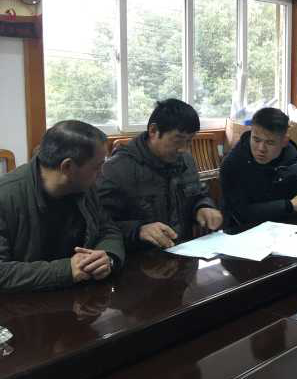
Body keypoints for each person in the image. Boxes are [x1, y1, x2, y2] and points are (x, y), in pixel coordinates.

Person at [0, 121, 124, 292]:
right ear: (67, 167)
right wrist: (67, 270)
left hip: (82, 295)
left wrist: (108, 257)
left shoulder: (83, 186)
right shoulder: (6, 197)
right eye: (97, 167)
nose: (101, 173)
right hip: (26, 303)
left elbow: (108, 229)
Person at [97, 99, 222, 251]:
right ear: (153, 131)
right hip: (142, 257)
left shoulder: (186, 160)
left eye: (189, 141)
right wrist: (138, 230)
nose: (184, 149)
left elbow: (198, 195)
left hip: (183, 251)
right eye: (178, 140)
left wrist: (203, 207)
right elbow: (100, 226)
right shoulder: (116, 169)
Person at [220, 107, 297, 228]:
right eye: (256, 140)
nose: (261, 149)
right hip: (245, 230)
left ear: (284, 141)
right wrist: (289, 205)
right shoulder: (232, 164)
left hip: (289, 227)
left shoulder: (292, 157)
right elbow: (241, 213)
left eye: (270, 143)